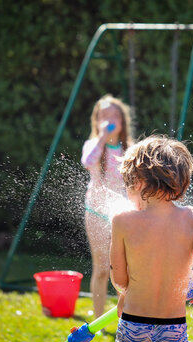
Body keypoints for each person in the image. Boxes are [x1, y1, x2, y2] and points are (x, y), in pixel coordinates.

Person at [110, 135, 193, 342]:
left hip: (133, 324)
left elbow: (120, 281)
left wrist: (126, 294)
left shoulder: (122, 220)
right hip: (173, 326)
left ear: (138, 182)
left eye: (127, 186)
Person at [81, 94, 134, 318]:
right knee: (102, 268)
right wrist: (102, 138)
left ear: (122, 121)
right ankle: (97, 318)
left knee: (127, 270)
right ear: (97, 121)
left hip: (121, 215)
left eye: (115, 115)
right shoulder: (93, 145)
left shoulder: (129, 149)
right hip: (95, 213)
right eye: (105, 116)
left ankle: (129, 317)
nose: (110, 119)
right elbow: (87, 162)